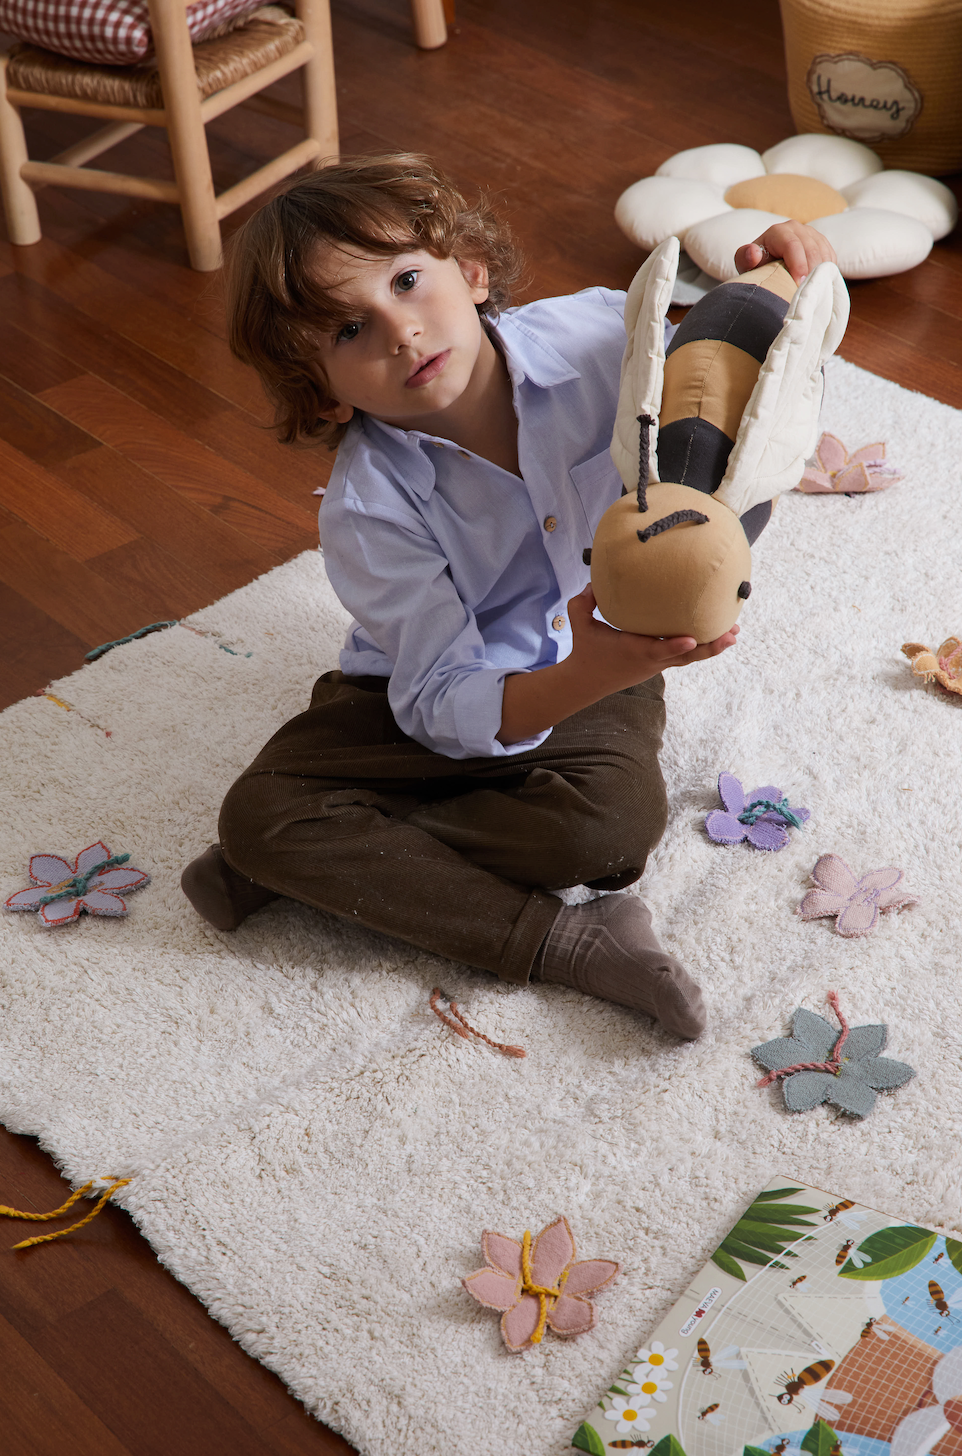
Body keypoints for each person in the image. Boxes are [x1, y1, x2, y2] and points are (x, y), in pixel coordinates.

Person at [181, 153, 836, 1039]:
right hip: (419, 691)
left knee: (609, 832)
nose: (400, 333)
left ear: (472, 268)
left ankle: (334, 862)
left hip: (603, 654)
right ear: (322, 397)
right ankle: (567, 943)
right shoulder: (368, 510)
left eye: (409, 282)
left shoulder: (608, 338)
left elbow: (732, 377)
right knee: (257, 817)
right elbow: (438, 701)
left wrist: (779, 282)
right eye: (346, 333)